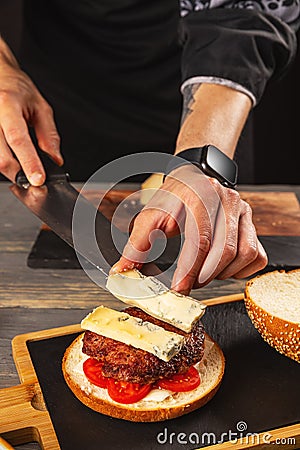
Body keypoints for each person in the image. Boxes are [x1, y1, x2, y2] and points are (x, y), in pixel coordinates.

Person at [0, 0, 298, 293]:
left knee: (212, 250)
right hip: (56, 113)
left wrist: (198, 162)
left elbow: (241, 18)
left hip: (209, 110)